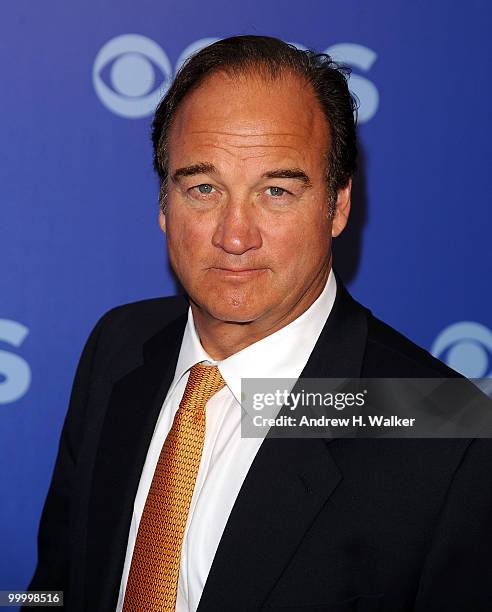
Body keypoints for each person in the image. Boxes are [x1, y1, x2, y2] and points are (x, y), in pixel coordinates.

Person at [26, 35, 492, 612]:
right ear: (164, 205)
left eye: (275, 191)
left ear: (338, 205)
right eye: (204, 189)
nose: (235, 236)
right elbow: (55, 585)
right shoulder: (118, 347)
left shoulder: (448, 431)